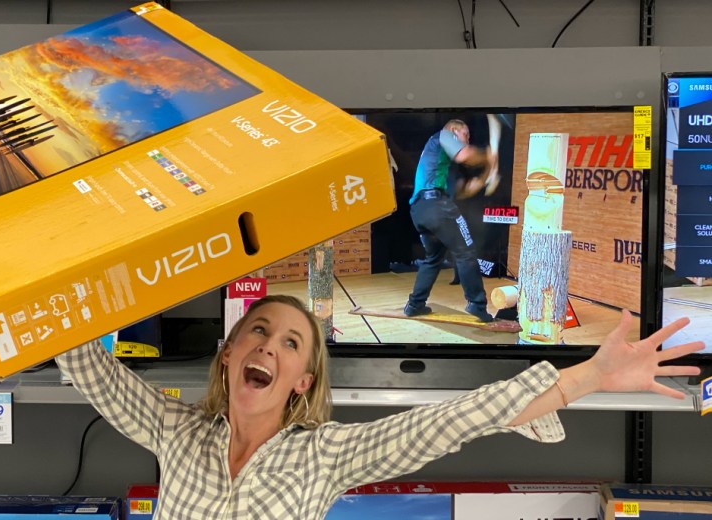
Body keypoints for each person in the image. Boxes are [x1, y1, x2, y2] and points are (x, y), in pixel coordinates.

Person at [56, 294, 703, 520]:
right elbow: (87, 365)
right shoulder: (178, 433)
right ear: (228, 353)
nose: (267, 347)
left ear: (302, 382)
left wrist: (586, 376)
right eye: (256, 331)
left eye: (289, 343)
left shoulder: (323, 455)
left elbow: (447, 423)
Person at [405, 116, 500, 322]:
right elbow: (465, 155)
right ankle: (477, 304)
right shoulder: (443, 135)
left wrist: (486, 173)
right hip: (436, 207)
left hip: (421, 210)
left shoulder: (440, 164)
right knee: (466, 252)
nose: (467, 140)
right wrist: (487, 155)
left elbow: (466, 190)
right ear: (454, 130)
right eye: (465, 135)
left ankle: (415, 304)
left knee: (433, 258)